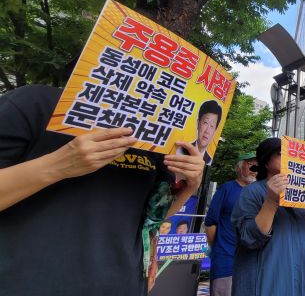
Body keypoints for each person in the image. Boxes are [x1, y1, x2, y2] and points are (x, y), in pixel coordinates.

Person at [0, 85, 205, 296]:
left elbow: (151, 218)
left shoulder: (154, 134)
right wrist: (58, 164)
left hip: (125, 285)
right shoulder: (36, 102)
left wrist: (190, 187)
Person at [231, 138, 305, 295]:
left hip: (298, 282)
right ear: (266, 162)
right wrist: (270, 202)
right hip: (265, 284)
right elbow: (248, 238)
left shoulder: (298, 195)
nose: (289, 157)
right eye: (281, 153)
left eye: (291, 154)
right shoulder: (252, 192)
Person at [204, 151, 257, 296]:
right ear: (239, 168)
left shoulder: (259, 193)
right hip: (226, 262)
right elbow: (210, 223)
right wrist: (219, 247)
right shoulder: (226, 189)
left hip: (251, 263)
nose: (255, 170)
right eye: (251, 165)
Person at [177, 100, 222, 165]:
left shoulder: (208, 160)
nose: (207, 131)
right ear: (198, 123)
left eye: (212, 126)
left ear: (215, 130)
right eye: (205, 123)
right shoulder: (181, 150)